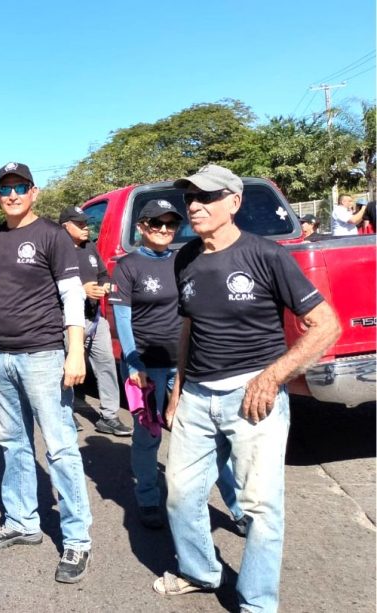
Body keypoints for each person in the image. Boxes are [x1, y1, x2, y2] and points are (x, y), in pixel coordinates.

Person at [155, 164, 340, 613]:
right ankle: (200, 572)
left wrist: (272, 376)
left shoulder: (266, 255)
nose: (193, 206)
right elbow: (188, 327)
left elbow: (326, 325)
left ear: (233, 203)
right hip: (197, 396)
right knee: (180, 495)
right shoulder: (185, 257)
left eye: (206, 198)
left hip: (253, 396)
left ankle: (257, 602)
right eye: (189, 199)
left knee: (259, 507)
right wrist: (178, 389)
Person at [0, 161, 94, 584]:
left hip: (44, 357)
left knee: (61, 448)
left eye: (19, 187)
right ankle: (22, 522)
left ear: (34, 192)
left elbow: (71, 297)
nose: (11, 194)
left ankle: (76, 539)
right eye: (5, 188)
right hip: (3, 356)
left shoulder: (52, 235)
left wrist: (75, 353)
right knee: (13, 443)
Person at [108, 199, 245, 532]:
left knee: (206, 438)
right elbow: (123, 319)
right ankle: (148, 499)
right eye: (157, 224)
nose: (165, 231)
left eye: (171, 225)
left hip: (185, 366)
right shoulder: (128, 266)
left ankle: (238, 509)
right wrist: (133, 362)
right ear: (141, 227)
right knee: (147, 438)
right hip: (144, 367)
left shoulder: (184, 259)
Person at [58, 206, 132, 437]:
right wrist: (82, 290)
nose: (85, 227)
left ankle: (109, 416)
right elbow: (48, 287)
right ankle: (64, 413)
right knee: (66, 369)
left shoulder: (90, 247)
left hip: (94, 318)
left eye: (86, 223)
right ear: (65, 227)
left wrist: (105, 284)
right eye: (79, 224)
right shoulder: (56, 251)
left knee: (107, 365)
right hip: (68, 321)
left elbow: (102, 273)